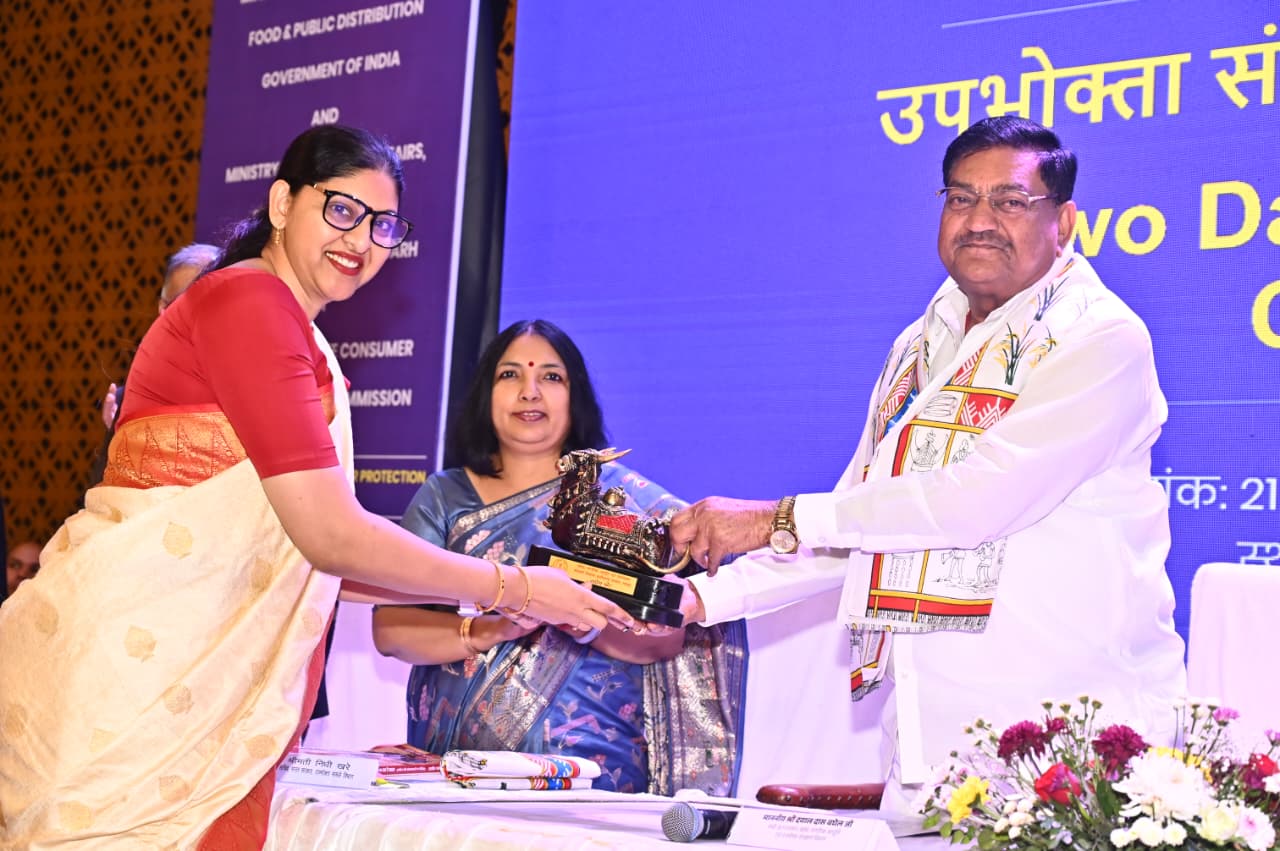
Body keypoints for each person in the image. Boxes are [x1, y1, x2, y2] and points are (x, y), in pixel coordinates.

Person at [0, 125, 636, 848]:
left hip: (153, 681)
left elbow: (299, 553)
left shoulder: (287, 324)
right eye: (341, 210)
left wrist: (500, 596)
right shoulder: (251, 303)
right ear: (282, 203)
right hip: (129, 677)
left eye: (383, 224)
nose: (361, 239)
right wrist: (514, 587)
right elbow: (330, 537)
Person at [668, 116, 1186, 814]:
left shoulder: (1100, 337)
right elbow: (862, 520)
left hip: (1069, 741)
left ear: (1064, 221)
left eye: (1010, 201)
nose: (980, 220)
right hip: (925, 742)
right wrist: (699, 600)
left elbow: (970, 502)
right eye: (961, 198)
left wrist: (772, 518)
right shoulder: (920, 341)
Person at [372, 319, 747, 795]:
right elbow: (391, 630)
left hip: (588, 778)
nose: (529, 392)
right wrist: (490, 629)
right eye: (510, 375)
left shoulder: (627, 508)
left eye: (551, 376)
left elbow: (667, 638)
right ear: (485, 394)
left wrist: (582, 620)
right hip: (452, 776)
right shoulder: (445, 499)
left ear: (576, 397)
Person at [98, 242, 222, 431]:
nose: (193, 318)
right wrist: (119, 435)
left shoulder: (244, 379)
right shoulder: (132, 394)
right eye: (180, 306)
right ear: (162, 308)